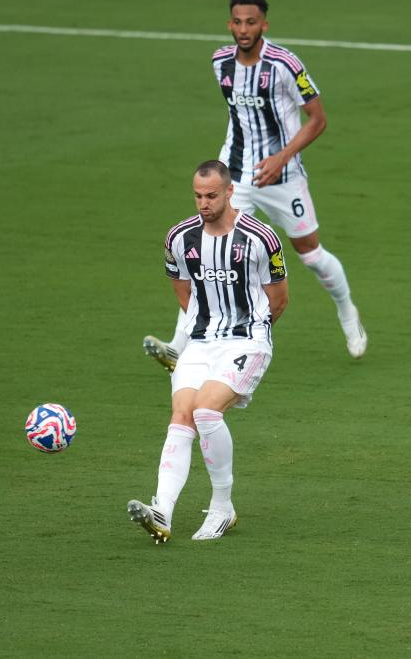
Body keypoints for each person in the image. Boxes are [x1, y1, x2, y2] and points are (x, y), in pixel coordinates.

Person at [143, 0, 364, 372]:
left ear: (264, 24)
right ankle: (181, 345)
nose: (243, 29)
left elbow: (318, 119)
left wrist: (281, 157)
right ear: (230, 23)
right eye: (237, 22)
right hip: (236, 175)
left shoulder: (285, 64)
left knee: (310, 253)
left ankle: (346, 309)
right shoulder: (219, 62)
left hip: (284, 176)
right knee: (214, 250)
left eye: (251, 22)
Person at [128, 160, 289, 543]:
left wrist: (250, 336)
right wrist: (205, 324)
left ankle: (222, 507)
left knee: (205, 410)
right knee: (182, 415)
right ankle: (162, 511)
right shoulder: (180, 238)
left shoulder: (260, 238)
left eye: (212, 195)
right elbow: (182, 289)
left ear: (230, 191)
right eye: (198, 195)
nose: (204, 203)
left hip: (247, 341)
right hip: (200, 341)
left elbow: (279, 300)